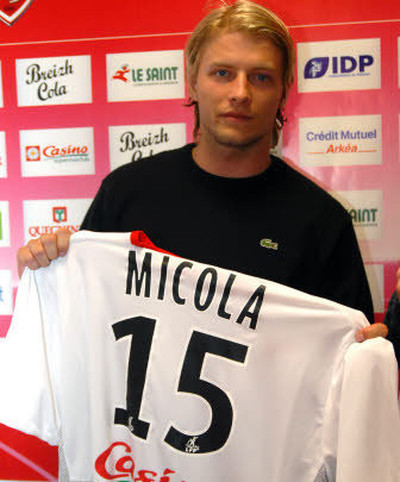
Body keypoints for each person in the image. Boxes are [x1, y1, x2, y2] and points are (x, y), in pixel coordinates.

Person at [17, 0, 387, 342]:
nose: (241, 92)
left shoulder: (323, 222)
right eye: (222, 73)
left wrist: (368, 348)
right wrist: (44, 273)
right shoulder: (126, 193)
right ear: (192, 81)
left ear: (283, 92)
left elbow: (350, 353)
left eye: (261, 77)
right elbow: (74, 321)